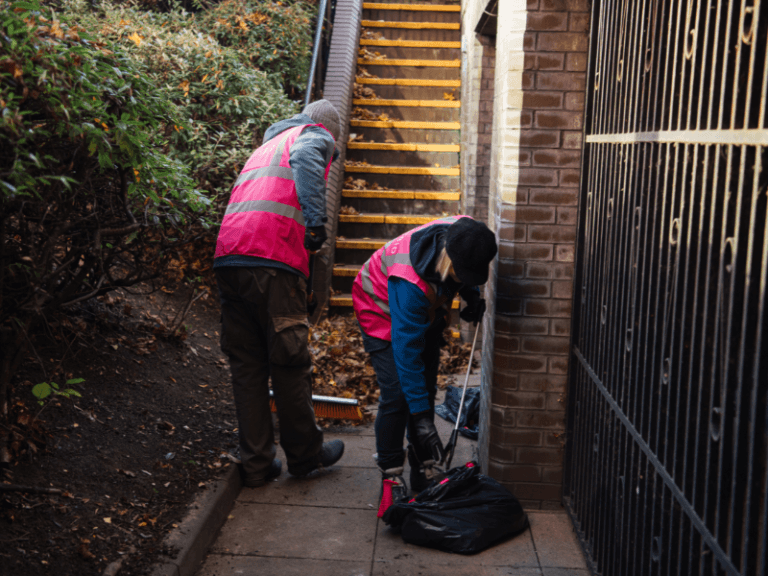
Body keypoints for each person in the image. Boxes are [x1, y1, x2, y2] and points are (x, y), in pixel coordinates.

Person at [213, 100, 345, 487]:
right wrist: (316, 225)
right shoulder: (312, 135)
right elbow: (307, 157)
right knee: (289, 362)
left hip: (229, 258)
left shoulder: (267, 146)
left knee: (248, 365)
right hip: (272, 260)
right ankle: (305, 457)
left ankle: (257, 464)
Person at [352, 215, 497, 494]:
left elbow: (466, 264)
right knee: (397, 394)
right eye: (461, 273)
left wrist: (473, 296)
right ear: (447, 260)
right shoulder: (409, 285)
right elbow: (407, 356)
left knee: (426, 387)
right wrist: (421, 418)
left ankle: (423, 466)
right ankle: (391, 471)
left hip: (426, 310)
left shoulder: (467, 233)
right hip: (380, 310)